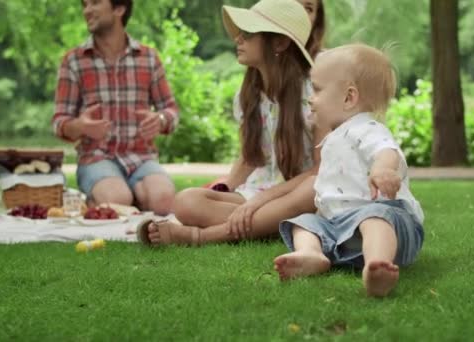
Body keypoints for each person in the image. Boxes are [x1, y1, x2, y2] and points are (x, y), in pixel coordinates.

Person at [138, 0, 325, 246]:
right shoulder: (248, 95)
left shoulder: (313, 95)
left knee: (313, 189)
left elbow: (319, 171)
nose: (238, 38)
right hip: (257, 193)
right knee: (186, 201)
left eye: (248, 33)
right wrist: (224, 187)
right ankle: (268, 225)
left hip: (295, 194)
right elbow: (251, 158)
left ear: (279, 43)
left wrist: (263, 200)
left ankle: (202, 236)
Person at [273, 44, 425, 298]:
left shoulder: (366, 128)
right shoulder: (335, 138)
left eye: (318, 89)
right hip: (343, 232)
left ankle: (378, 265)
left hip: (392, 225)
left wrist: (383, 170)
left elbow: (386, 150)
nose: (311, 98)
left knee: (373, 217)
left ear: (349, 98)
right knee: (305, 222)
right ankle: (311, 253)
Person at [52, 0, 178, 215]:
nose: (87, 10)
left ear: (119, 9)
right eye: (84, 5)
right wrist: (80, 126)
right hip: (96, 157)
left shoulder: (148, 58)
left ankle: (130, 199)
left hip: (142, 157)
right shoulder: (73, 61)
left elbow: (171, 110)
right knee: (117, 199)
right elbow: (59, 122)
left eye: (95, 3)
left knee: (164, 201)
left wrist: (161, 120)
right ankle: (116, 198)